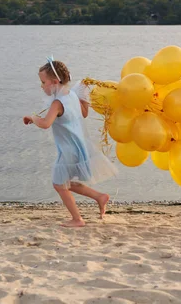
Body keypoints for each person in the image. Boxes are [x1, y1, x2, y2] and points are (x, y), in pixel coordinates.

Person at [23, 57, 118, 227]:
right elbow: (83, 114)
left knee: (59, 185)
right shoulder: (72, 96)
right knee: (68, 183)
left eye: (43, 82)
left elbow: (45, 124)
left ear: (54, 82)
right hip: (78, 147)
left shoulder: (57, 103)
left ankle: (77, 219)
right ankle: (99, 197)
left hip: (67, 150)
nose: (42, 86)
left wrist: (32, 117)